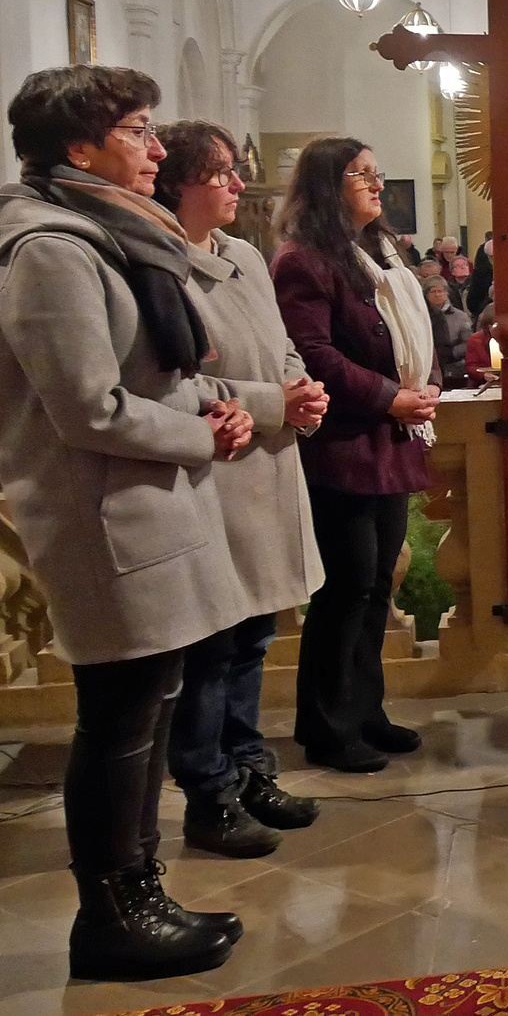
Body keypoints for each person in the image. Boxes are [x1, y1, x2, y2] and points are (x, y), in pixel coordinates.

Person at [0, 66, 255, 979]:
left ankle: (141, 890)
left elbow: (151, 376)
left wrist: (220, 408)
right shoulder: (50, 249)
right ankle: (110, 913)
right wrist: (197, 430)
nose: (157, 148)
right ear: (80, 149)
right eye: (140, 131)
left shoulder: (110, 235)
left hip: (148, 505)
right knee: (117, 718)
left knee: (149, 703)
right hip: (102, 514)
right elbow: (88, 408)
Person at [153, 122, 329, 861]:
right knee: (212, 645)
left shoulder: (246, 255)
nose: (234, 184)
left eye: (233, 171)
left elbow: (281, 341)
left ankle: (252, 769)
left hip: (268, 462)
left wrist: (302, 391)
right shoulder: (160, 265)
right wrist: (271, 404)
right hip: (213, 467)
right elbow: (174, 379)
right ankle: (208, 790)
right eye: (219, 173)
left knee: (255, 633)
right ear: (179, 185)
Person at [273, 138, 440, 775]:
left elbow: (399, 336)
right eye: (360, 173)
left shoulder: (377, 255)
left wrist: (417, 388)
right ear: (326, 185)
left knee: (376, 587)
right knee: (344, 587)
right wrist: (389, 396)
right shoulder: (303, 260)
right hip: (343, 442)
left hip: (387, 441)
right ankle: (326, 725)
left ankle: (365, 711)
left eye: (377, 171)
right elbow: (311, 354)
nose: (376, 183)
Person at [427, 277, 472, 387]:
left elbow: (468, 342)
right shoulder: (420, 315)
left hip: (454, 365)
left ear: (446, 293)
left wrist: (452, 353)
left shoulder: (460, 316)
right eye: (433, 291)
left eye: (440, 291)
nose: (437, 295)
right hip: (427, 362)